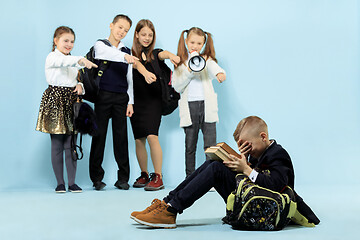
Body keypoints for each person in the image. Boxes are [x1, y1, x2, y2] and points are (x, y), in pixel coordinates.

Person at [130, 116, 320, 228]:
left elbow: (276, 185)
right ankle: (167, 204)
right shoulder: (256, 153)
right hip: (253, 199)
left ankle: (171, 210)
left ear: (263, 137)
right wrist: (243, 162)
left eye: (248, 146)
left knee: (215, 169)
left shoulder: (278, 154)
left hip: (269, 208)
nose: (247, 150)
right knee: (214, 164)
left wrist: (245, 169)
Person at [36, 26, 97, 193]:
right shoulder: (52, 57)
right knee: (57, 144)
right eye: (65, 41)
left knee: (71, 144)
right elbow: (62, 62)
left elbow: (79, 79)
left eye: (72, 41)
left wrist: (80, 86)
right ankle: (60, 183)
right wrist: (81, 60)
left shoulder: (72, 61)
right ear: (56, 41)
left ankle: (72, 182)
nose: (69, 44)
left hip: (72, 101)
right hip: (55, 101)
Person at [89, 14, 139, 191]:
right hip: (102, 96)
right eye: (120, 28)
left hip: (121, 98)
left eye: (126, 30)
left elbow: (129, 78)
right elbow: (106, 54)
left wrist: (130, 102)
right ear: (111, 25)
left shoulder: (127, 51)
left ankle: (123, 178)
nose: (122, 32)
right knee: (99, 136)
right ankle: (96, 178)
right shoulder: (101, 45)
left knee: (121, 138)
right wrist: (125, 58)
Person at [130, 19, 180, 191]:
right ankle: (144, 174)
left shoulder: (155, 54)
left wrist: (172, 56)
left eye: (150, 35)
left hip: (153, 101)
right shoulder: (129, 55)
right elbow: (135, 64)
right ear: (136, 34)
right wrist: (143, 73)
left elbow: (163, 54)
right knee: (138, 139)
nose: (147, 38)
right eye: (143, 34)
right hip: (136, 102)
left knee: (152, 136)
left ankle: (158, 176)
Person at [172, 27, 226, 177]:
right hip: (189, 108)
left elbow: (215, 68)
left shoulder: (206, 60)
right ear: (186, 42)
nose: (195, 46)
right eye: (192, 42)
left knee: (210, 146)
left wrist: (220, 74)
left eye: (199, 43)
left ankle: (211, 178)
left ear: (203, 44)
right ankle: (190, 177)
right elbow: (177, 86)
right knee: (190, 145)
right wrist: (189, 71)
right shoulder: (180, 62)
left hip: (207, 106)